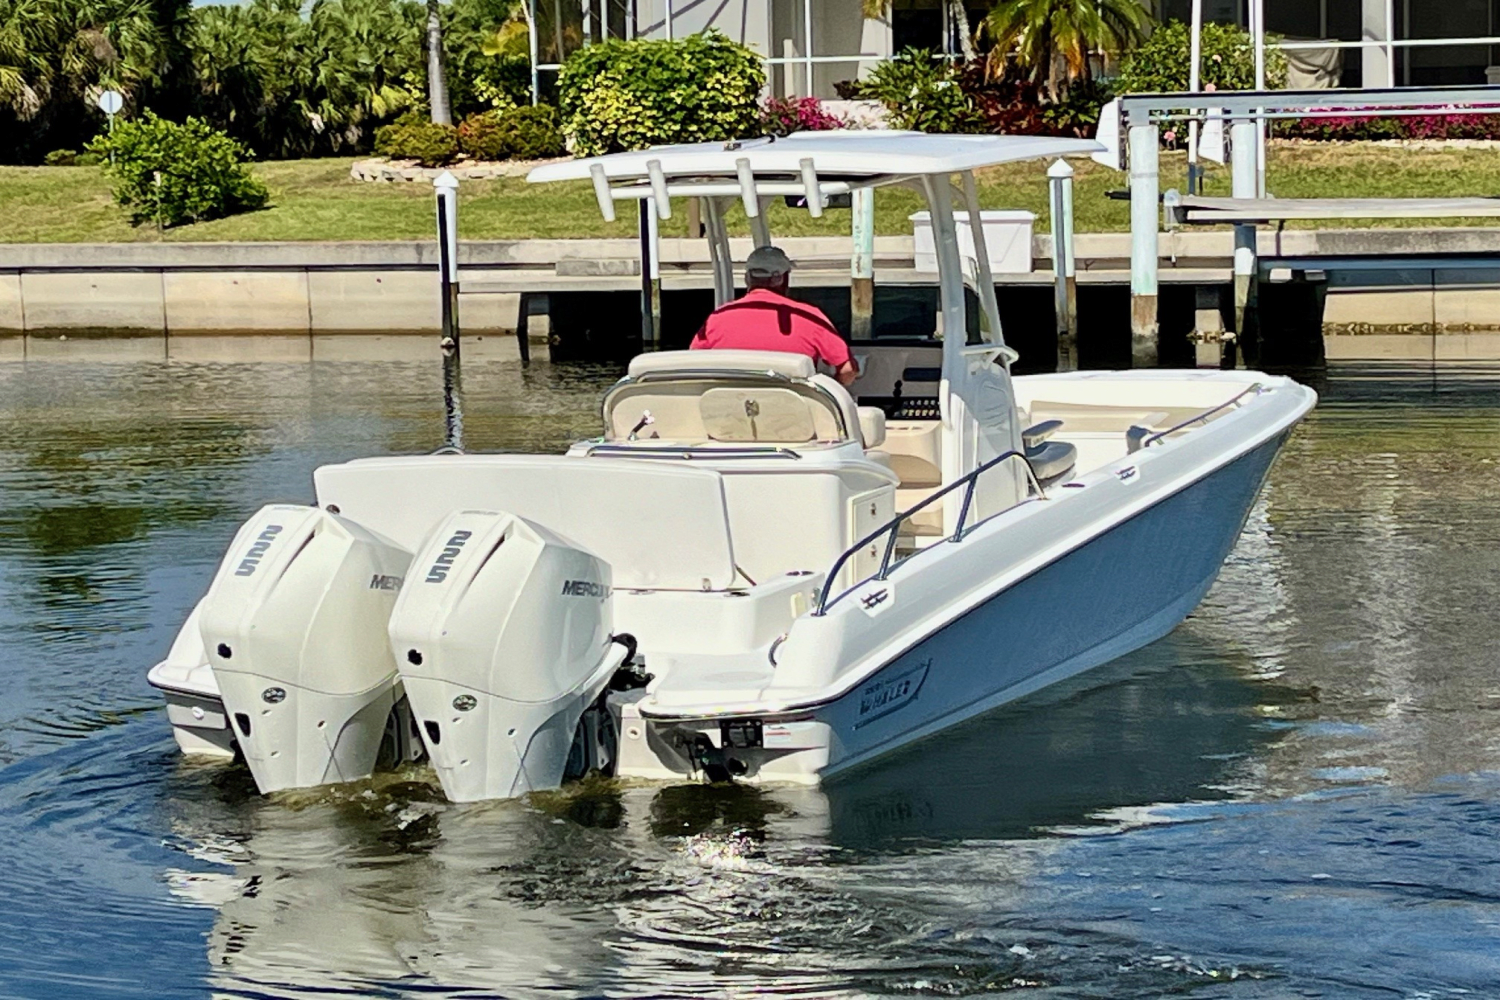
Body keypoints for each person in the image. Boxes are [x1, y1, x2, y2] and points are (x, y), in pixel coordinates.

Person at [690, 245, 858, 385]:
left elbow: (693, 362)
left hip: (730, 413)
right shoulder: (810, 317)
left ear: (748, 278)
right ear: (782, 278)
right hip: (792, 414)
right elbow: (848, 369)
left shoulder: (718, 318)